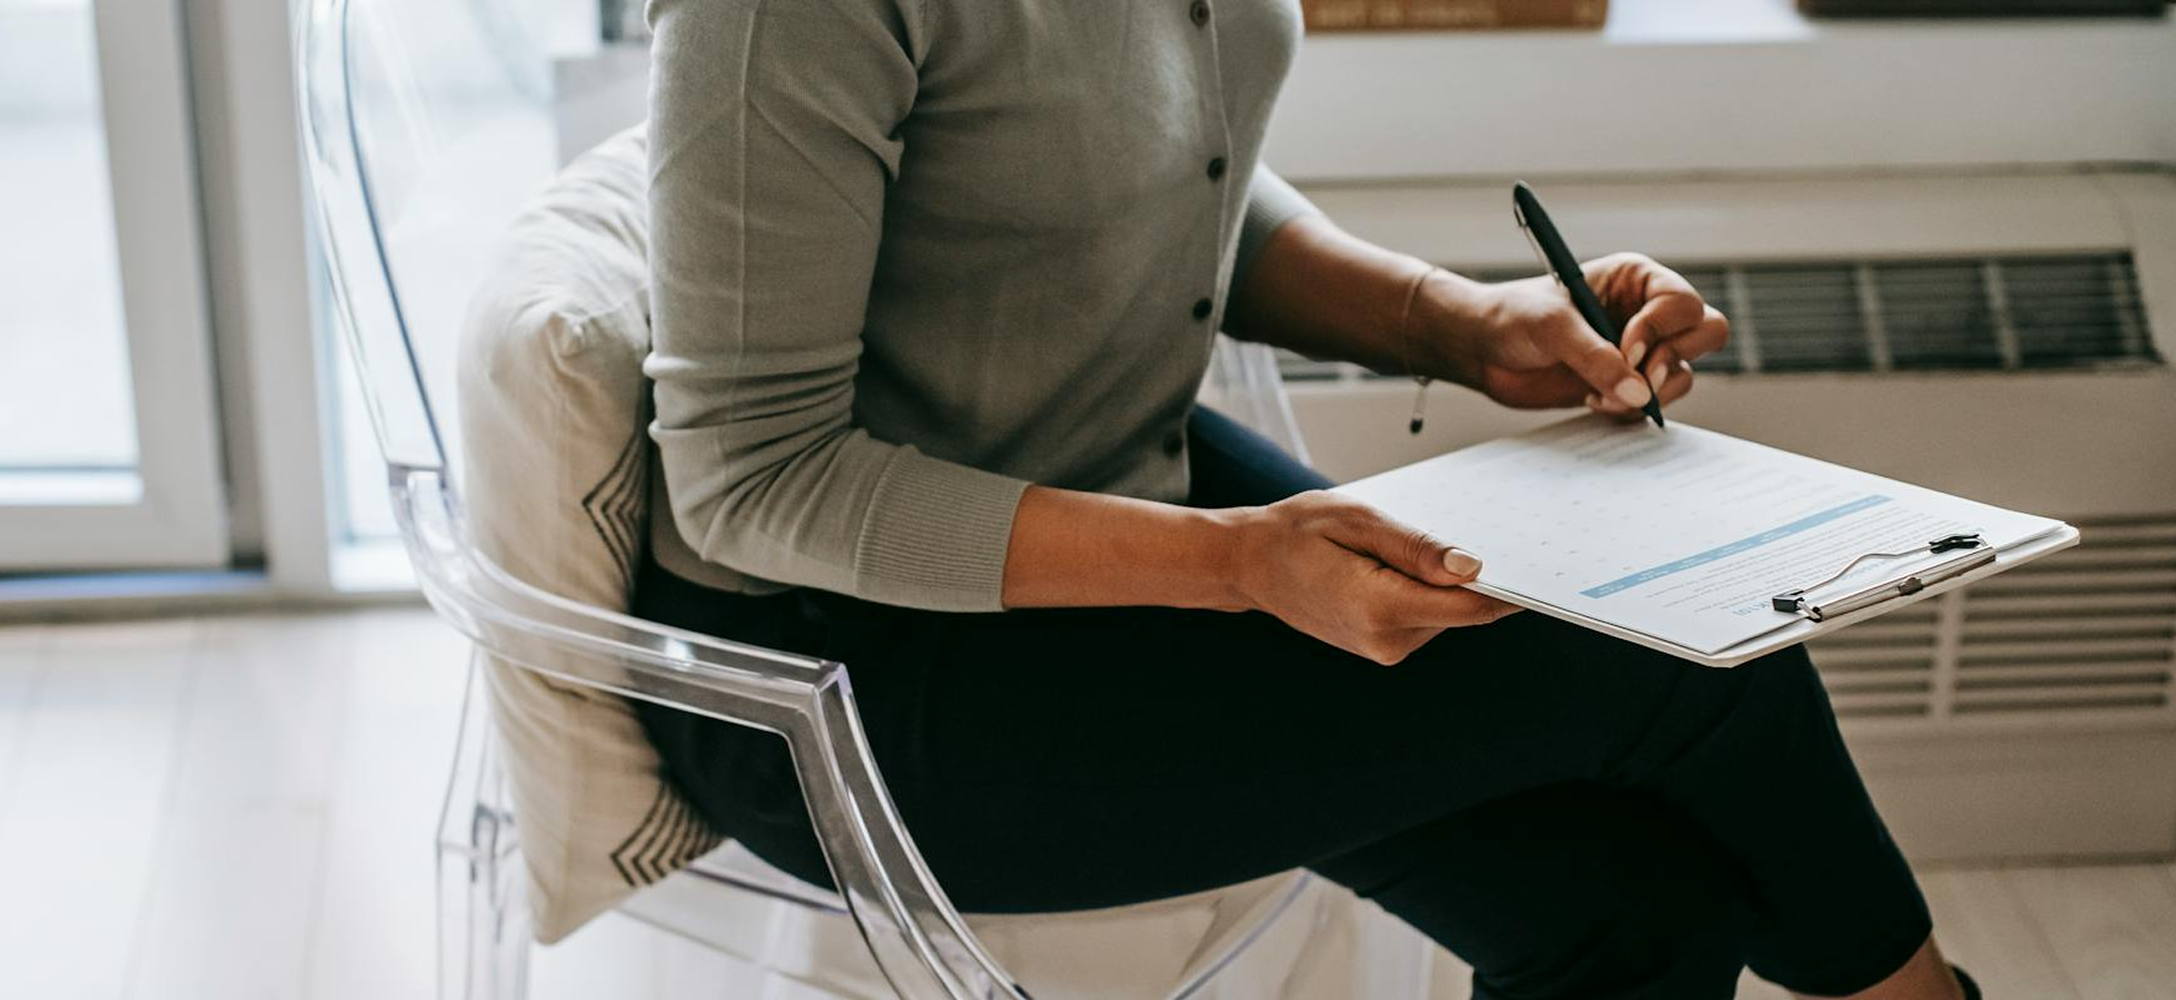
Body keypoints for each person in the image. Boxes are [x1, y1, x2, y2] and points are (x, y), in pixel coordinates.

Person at [626, 0, 1978, 996]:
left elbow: (1150, 165)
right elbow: (757, 480)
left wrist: (1453, 323)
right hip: (836, 679)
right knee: (1688, 650)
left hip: (1115, 487)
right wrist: (1235, 565)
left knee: (1639, 901)